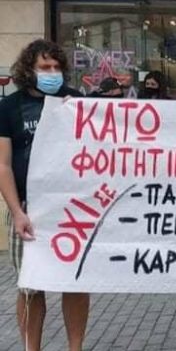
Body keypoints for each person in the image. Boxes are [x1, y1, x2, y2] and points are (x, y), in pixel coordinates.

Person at [0, 39, 88, 351]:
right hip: (29, 208)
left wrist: (77, 115)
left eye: (56, 67)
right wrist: (16, 211)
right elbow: (3, 164)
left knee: (75, 281)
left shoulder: (75, 101)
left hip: (70, 207)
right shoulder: (9, 107)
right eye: (45, 67)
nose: (52, 73)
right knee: (30, 287)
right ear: (29, 69)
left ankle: (75, 347)